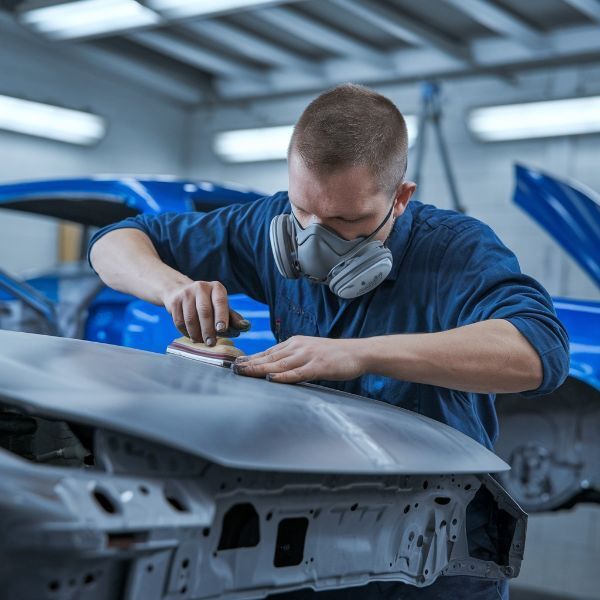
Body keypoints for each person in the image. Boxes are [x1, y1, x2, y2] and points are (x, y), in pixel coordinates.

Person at [88, 84, 569, 599]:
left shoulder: (456, 250)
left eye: (347, 221)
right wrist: (172, 287)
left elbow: (539, 351)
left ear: (400, 198)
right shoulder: (265, 225)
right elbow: (115, 241)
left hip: (431, 551)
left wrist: (357, 354)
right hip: (304, 535)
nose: (314, 242)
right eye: (303, 212)